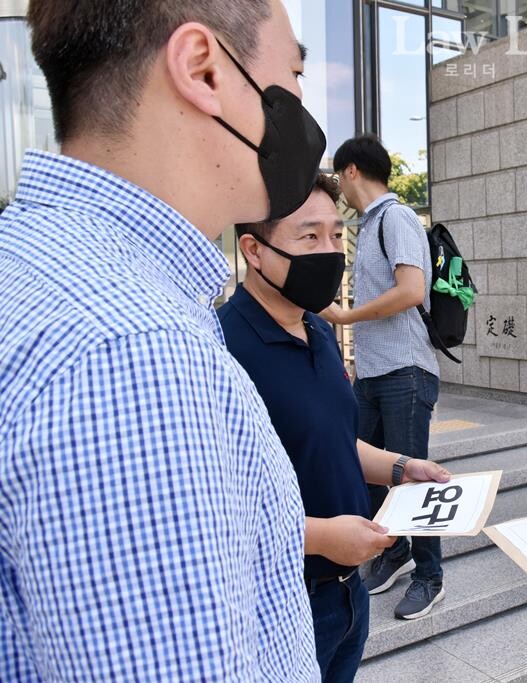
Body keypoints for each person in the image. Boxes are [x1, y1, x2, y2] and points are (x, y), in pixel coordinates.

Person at [0, 1, 328, 678]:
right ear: (204, 70)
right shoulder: (133, 352)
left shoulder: (40, 266)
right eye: (294, 72)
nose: (302, 101)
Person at [218, 172, 452, 681]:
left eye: (334, 236)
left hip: (350, 594)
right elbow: (210, 508)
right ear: (253, 250)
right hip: (283, 600)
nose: (329, 252)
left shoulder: (320, 331)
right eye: (308, 237)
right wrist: (321, 537)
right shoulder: (221, 350)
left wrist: (401, 467)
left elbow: (333, 440)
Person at [321, 134, 444, 620]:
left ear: (352, 171)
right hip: (374, 372)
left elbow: (412, 290)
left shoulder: (395, 218)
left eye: (339, 175)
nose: (341, 187)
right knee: (369, 475)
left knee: (413, 479)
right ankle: (395, 551)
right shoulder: (373, 223)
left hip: (405, 372)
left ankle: (431, 577)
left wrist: (346, 319)